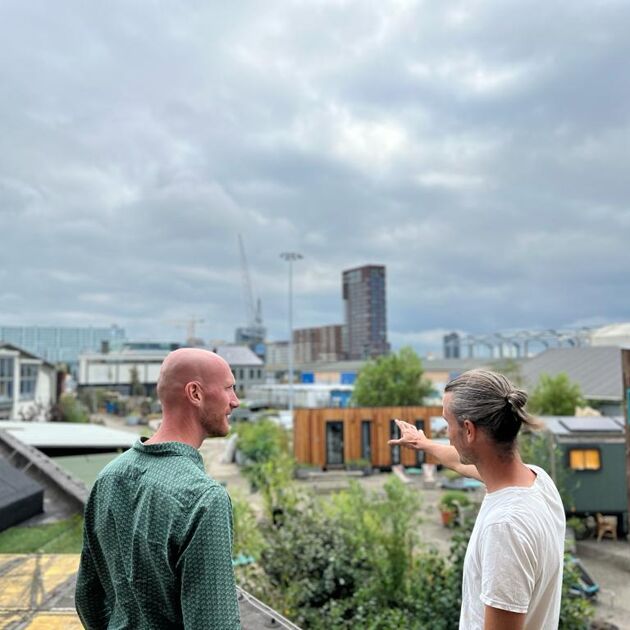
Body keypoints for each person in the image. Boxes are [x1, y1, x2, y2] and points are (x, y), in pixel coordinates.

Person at [75, 348, 242, 629]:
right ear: (195, 394)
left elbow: (88, 599)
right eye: (228, 388)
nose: (235, 401)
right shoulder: (204, 499)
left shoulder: (108, 477)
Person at [389, 369, 565, 630]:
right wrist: (423, 443)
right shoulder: (539, 480)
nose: (446, 433)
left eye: (447, 423)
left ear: (469, 430)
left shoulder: (505, 527)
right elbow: (463, 464)